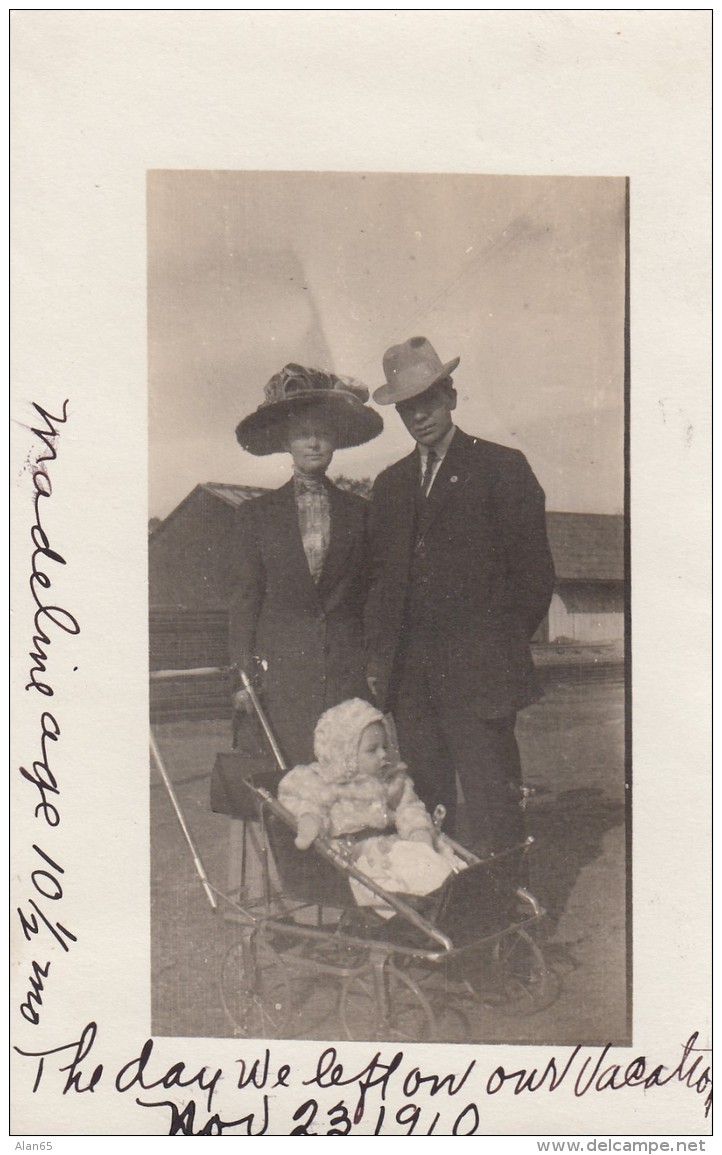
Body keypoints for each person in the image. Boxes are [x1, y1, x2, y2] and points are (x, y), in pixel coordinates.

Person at [365, 336, 555, 857]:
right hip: (413, 686)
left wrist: (495, 648)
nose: (420, 416)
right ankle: (448, 922)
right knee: (427, 810)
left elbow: (535, 576)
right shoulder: (391, 485)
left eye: (428, 401)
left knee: (495, 806)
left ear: (451, 395)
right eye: (408, 408)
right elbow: (382, 583)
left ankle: (508, 929)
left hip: (482, 678)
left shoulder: (501, 467)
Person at [230, 363, 383, 767]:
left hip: (344, 675)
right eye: (302, 434)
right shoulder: (256, 516)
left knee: (348, 778)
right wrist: (243, 677)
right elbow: (246, 599)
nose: (313, 443)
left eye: (323, 433)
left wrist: (374, 667)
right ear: (286, 442)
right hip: (281, 678)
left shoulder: (361, 514)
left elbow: (372, 597)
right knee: (288, 783)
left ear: (336, 441)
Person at [277, 697, 462, 911]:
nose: (383, 754)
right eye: (372, 750)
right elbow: (301, 800)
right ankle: (427, 909)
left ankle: (445, 900)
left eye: (385, 746)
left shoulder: (392, 779)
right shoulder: (323, 782)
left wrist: (418, 832)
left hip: (393, 846)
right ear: (345, 755)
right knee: (396, 883)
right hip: (356, 858)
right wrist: (311, 820)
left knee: (430, 864)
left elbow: (409, 808)